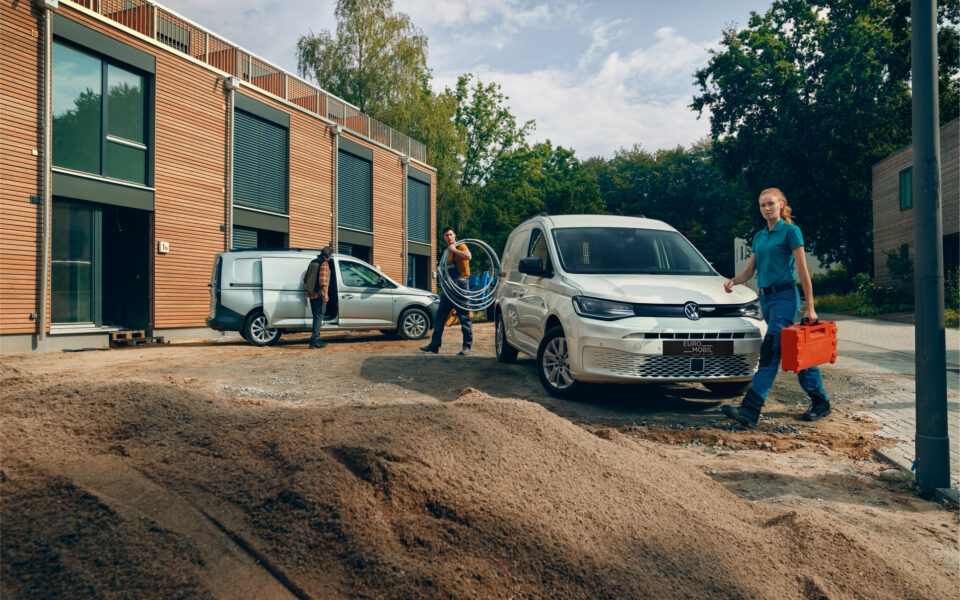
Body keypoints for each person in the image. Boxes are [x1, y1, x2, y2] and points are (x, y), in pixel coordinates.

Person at [720, 188, 830, 427]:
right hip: (767, 301)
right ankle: (820, 400)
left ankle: (751, 409)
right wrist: (733, 281)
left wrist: (810, 306)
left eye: (770, 204)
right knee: (793, 350)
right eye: (762, 205)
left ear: (781, 204)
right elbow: (750, 271)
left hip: (785, 297)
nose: (766, 208)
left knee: (770, 349)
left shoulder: (791, 231)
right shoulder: (759, 237)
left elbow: (802, 270)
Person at [421, 227, 473, 355]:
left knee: (464, 316)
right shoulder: (446, 251)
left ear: (454, 235)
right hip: (449, 286)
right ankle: (434, 345)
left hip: (461, 285)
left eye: (450, 234)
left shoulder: (460, 246)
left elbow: (468, 256)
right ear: (444, 238)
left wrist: (454, 249)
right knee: (440, 316)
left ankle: (467, 346)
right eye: (446, 235)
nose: (449, 237)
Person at [303, 246, 333, 349]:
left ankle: (317, 339)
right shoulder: (324, 264)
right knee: (318, 318)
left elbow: (305, 278)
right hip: (319, 294)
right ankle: (314, 341)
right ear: (328, 256)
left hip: (311, 294)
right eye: (330, 256)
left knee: (316, 317)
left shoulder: (313, 262)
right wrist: (326, 295)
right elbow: (323, 281)